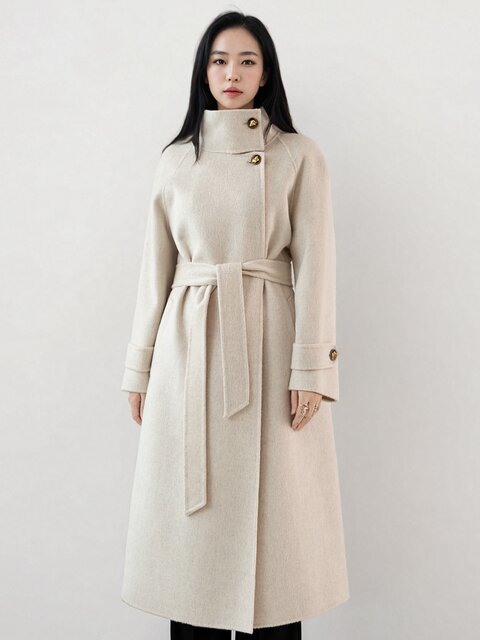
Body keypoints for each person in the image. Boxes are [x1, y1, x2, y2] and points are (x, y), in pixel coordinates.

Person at [120, 10, 350, 639]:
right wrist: (140, 368)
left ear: (266, 73)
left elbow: (318, 266)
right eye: (220, 60)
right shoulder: (175, 161)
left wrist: (313, 369)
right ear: (204, 71)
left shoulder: (298, 156)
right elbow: (154, 273)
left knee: (276, 552)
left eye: (248, 61)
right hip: (188, 352)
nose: (232, 73)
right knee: (191, 548)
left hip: (271, 349)